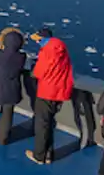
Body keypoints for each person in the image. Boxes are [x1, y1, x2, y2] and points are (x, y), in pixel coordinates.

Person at [26, 28, 74, 165]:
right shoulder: (61, 49)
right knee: (49, 122)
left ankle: (39, 156)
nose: (37, 42)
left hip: (47, 91)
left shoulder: (47, 52)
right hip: (59, 91)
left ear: (43, 39)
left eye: (38, 40)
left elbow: (39, 72)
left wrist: (35, 67)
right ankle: (48, 154)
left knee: (42, 124)